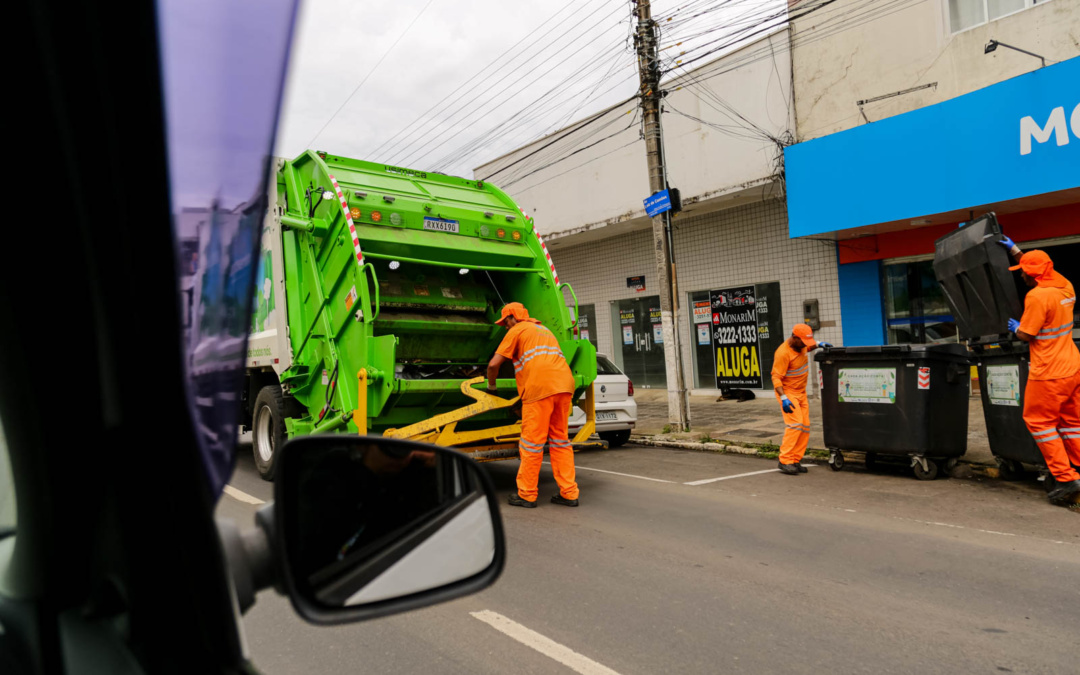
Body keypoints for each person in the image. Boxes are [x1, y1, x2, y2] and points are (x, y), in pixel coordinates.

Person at [1000, 236, 1080, 505]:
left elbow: (1026, 334)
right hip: (1072, 367)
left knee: (1039, 423)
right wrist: (1015, 251)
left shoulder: (1037, 296)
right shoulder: (1065, 286)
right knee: (1072, 424)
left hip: (1048, 372)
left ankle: (1066, 478)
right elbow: (1039, 268)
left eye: (1023, 271)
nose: (1020, 274)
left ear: (1032, 275)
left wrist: (1016, 328)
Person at [486, 302, 579, 508]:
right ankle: (569, 493)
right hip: (564, 386)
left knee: (531, 444)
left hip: (539, 389)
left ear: (513, 317)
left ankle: (527, 494)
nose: (505, 327)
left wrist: (492, 387)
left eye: (505, 323)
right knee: (560, 441)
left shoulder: (517, 330)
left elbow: (493, 365)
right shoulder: (544, 330)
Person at [772, 323, 831, 475]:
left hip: (801, 392)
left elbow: (808, 347)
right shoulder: (783, 353)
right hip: (788, 393)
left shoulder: (801, 345)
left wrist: (819, 344)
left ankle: (795, 459)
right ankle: (785, 460)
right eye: (803, 341)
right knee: (795, 424)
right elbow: (776, 377)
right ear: (794, 337)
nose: (806, 345)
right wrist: (783, 398)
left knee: (804, 426)